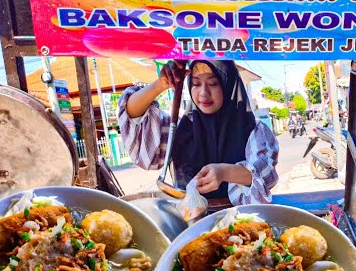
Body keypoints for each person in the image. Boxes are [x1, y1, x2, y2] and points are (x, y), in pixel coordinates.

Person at [118, 59, 279, 205]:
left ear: (227, 84)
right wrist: (161, 84)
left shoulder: (252, 129)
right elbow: (132, 115)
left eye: (213, 83)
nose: (203, 92)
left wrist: (224, 172)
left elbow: (266, 175)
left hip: (240, 225)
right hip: (190, 224)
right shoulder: (179, 128)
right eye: (196, 84)